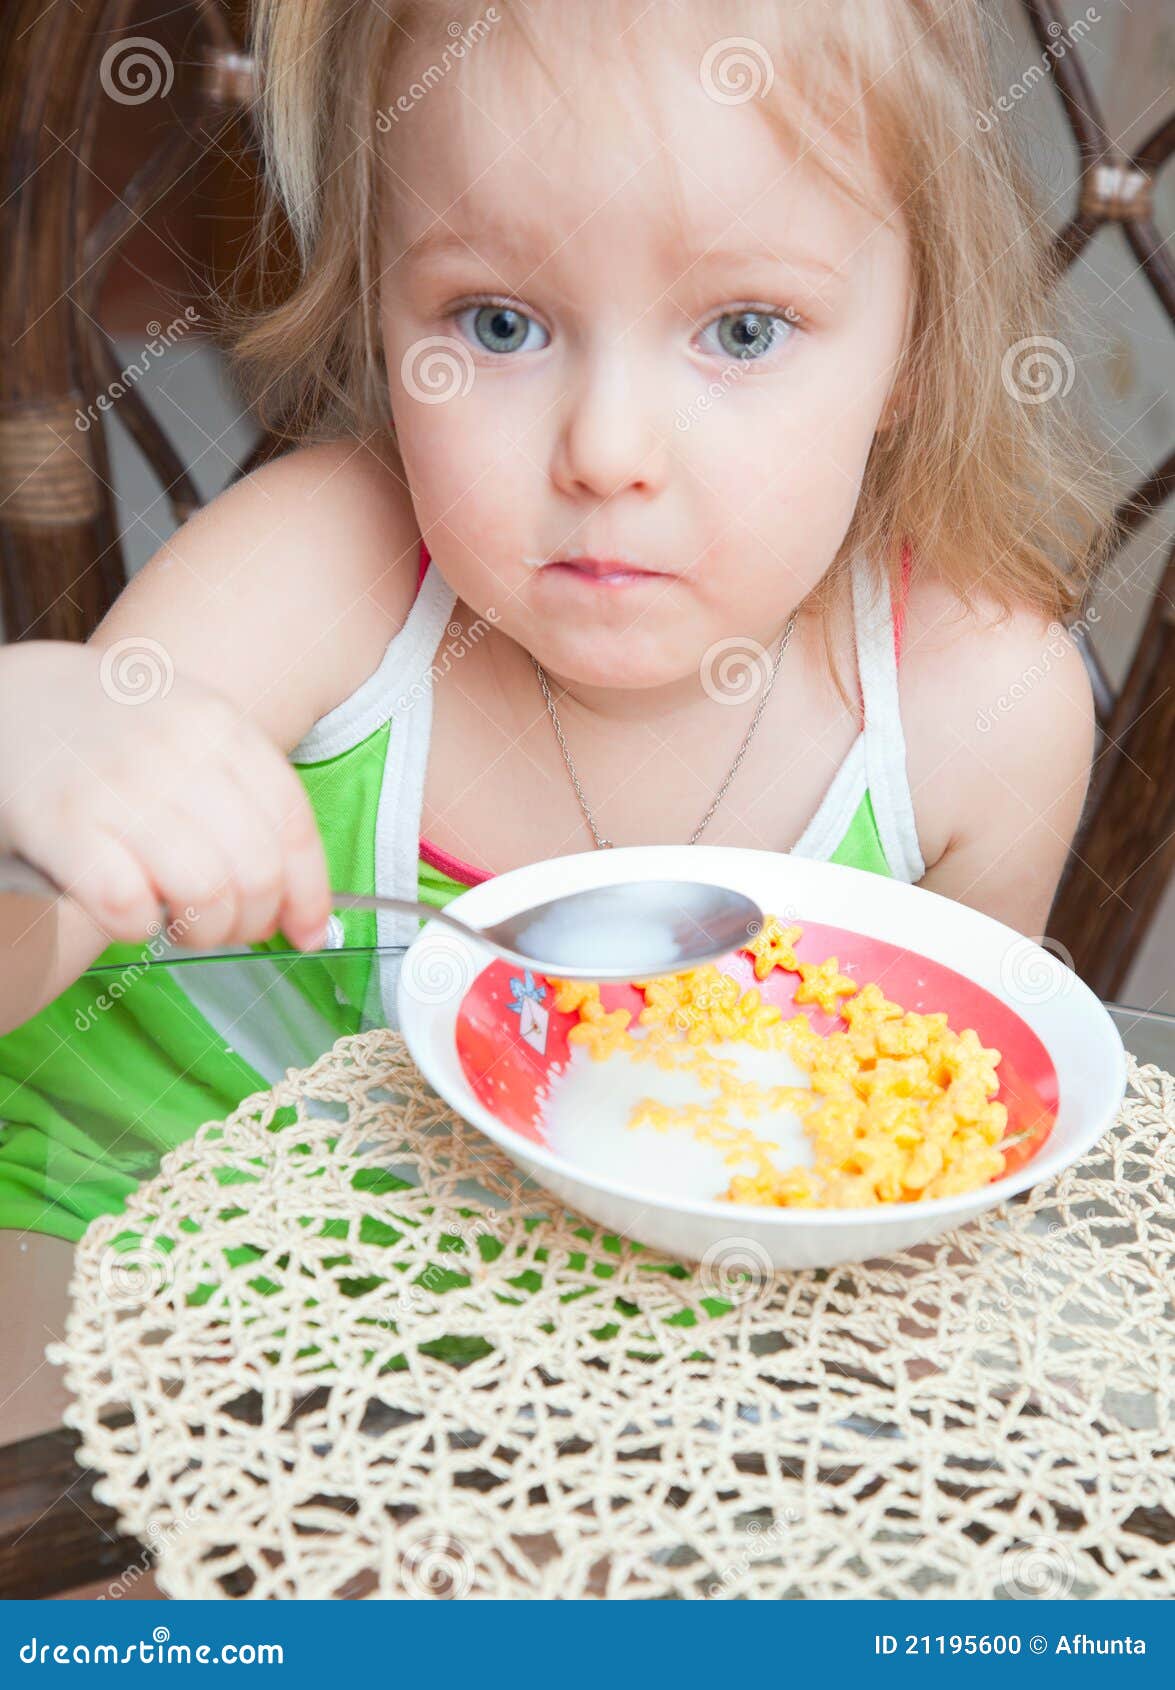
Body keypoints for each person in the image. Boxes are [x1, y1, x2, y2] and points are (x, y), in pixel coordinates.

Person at [0, 0, 1113, 1239]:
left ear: (915, 340)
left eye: (742, 330)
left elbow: (945, 1162)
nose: (605, 451)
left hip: (580, 1353)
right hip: (120, 1228)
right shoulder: (310, 577)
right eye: (498, 323)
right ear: (381, 307)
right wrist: (25, 762)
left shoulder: (975, 720)